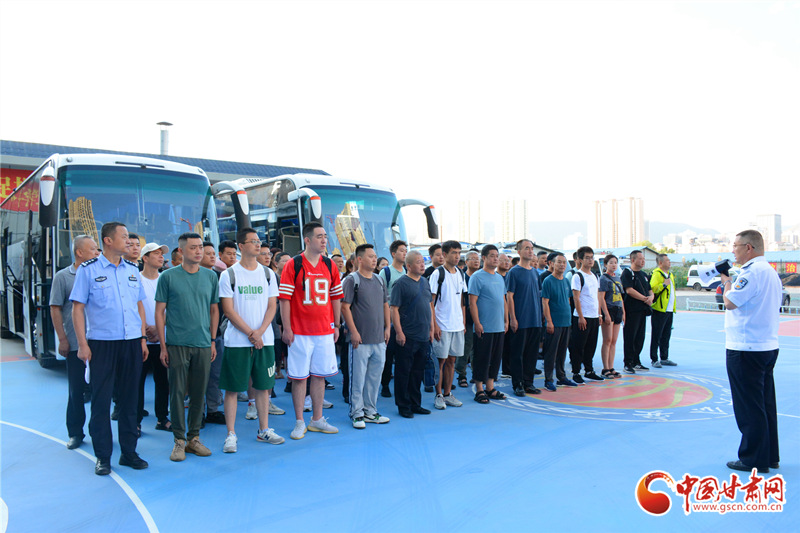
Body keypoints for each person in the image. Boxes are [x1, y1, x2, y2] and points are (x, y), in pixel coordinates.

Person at [70, 222, 149, 475]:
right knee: (101, 402)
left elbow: (139, 306)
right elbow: (78, 308)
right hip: (101, 344)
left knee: (130, 400)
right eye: (124, 237)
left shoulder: (132, 269)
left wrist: (142, 339)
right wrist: (82, 344)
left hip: (131, 343)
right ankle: (103, 456)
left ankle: (129, 453)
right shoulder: (88, 270)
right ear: (108, 240)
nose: (129, 241)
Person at [720, 230, 782, 474]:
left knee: (749, 406)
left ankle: (753, 458)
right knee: (765, 404)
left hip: (746, 347)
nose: (732, 250)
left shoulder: (751, 272)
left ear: (749, 247)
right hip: (766, 345)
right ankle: (770, 455)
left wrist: (726, 282)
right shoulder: (770, 272)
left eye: (736, 246)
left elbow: (730, 302)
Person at [219, 228, 283, 452]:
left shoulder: (267, 274)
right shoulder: (229, 275)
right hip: (237, 342)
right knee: (232, 389)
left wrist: (260, 332)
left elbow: (272, 306)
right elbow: (228, 310)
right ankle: (231, 434)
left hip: (264, 341)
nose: (258, 244)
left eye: (259, 241)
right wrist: (250, 333)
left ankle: (264, 430)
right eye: (253, 241)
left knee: (263, 387)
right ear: (241, 246)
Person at [156, 232, 219, 462]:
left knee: (199, 393)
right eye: (193, 247)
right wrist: (163, 346)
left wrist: (212, 341)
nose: (198, 251)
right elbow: (159, 312)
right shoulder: (168, 277)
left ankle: (194, 439)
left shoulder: (211, 277)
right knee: (177, 393)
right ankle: (179, 441)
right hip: (177, 343)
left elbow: (214, 310)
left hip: (203, 343)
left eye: (200, 246)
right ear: (181, 251)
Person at [279, 222, 343, 440]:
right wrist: (287, 328)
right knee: (299, 377)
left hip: (324, 331)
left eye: (325, 236)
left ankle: (317, 419)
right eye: (319, 236)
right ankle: (299, 421)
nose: (324, 240)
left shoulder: (330, 264)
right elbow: (284, 299)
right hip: (300, 332)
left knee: (319, 375)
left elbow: (336, 297)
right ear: (307, 240)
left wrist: (336, 325)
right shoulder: (294, 264)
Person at [50, 235, 98, 450]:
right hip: (75, 344)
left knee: (100, 392)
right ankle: (75, 433)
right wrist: (62, 339)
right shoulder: (63, 277)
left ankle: (98, 433)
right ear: (79, 252)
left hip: (99, 342)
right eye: (93, 249)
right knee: (76, 390)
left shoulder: (99, 274)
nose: (97, 252)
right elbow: (55, 308)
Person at [341, 244, 391, 428]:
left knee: (374, 379)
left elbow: (385, 304)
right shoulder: (351, 280)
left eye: (375, 256)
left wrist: (388, 327)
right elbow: (344, 307)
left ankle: (370, 411)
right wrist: (353, 331)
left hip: (379, 339)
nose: (374, 259)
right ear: (359, 259)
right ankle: (357, 413)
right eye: (370, 256)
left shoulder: (379, 280)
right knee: (358, 379)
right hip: (360, 341)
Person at [389, 250, 434, 418]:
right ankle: (403, 405)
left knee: (417, 372)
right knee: (403, 372)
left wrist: (431, 328)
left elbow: (429, 306)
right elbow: (394, 309)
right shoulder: (401, 284)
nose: (422, 265)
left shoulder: (425, 282)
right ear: (408, 265)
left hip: (423, 336)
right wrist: (399, 332)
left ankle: (415, 404)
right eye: (418, 262)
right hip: (407, 335)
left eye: (423, 261)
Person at [429, 240, 467, 409]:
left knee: (452, 360)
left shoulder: (460, 273)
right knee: (440, 361)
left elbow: (462, 300)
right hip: (442, 325)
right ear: (444, 255)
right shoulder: (437, 274)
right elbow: (430, 302)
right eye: (454, 253)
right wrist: (435, 325)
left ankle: (447, 393)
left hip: (457, 325)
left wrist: (463, 321)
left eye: (459, 253)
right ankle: (438, 395)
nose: (457, 256)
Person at [469, 245, 509, 404]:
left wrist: (506, 320)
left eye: (497, 255)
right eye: (492, 255)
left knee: (495, 358)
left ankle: (490, 388)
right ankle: (479, 389)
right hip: (484, 326)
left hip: (499, 326)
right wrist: (477, 323)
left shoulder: (499, 277)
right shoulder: (477, 277)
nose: (495, 258)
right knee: (482, 358)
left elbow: (503, 300)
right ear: (484, 258)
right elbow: (472, 302)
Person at [138, 242, 171, 433]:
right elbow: (134, 307)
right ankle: (135, 421)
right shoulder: (135, 279)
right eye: (156, 254)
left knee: (163, 381)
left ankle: (162, 418)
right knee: (137, 382)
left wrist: (158, 330)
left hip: (162, 341)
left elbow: (171, 307)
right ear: (145, 258)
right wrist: (145, 330)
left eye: (161, 254)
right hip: (140, 340)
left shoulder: (165, 279)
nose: (161, 257)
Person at [506, 239, 543, 396]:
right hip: (521, 321)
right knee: (518, 355)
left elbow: (538, 295)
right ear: (519, 252)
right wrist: (513, 318)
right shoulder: (513, 272)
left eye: (532, 248)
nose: (530, 251)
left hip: (535, 320)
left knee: (532, 354)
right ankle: (518, 384)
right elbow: (509, 296)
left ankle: (529, 383)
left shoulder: (534, 272)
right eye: (527, 248)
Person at [541, 253, 577, 391]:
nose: (562, 265)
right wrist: (549, 321)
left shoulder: (566, 281)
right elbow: (545, 302)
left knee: (562, 352)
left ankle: (562, 378)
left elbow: (568, 300)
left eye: (564, 262)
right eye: (559, 262)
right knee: (551, 352)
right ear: (552, 264)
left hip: (566, 322)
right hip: (554, 323)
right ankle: (548, 380)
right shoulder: (548, 281)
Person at [569, 246, 604, 384]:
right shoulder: (577, 276)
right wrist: (581, 316)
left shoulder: (595, 276)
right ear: (580, 260)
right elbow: (576, 298)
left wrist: (599, 314)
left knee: (591, 345)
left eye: (592, 257)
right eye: (587, 258)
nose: (590, 260)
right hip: (582, 317)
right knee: (578, 345)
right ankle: (576, 372)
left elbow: (597, 297)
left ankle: (589, 371)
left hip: (594, 316)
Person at [379, 240, 408, 398]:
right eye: (401, 250)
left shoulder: (407, 271)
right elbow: (381, 297)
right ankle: (385, 385)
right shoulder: (386, 272)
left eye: (406, 250)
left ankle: (402, 387)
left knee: (403, 356)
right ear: (393, 253)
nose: (404, 253)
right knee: (388, 355)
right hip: (389, 321)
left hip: (405, 321)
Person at [621, 250, 652, 373]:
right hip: (631, 310)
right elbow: (629, 290)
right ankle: (628, 362)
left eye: (644, 259)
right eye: (640, 259)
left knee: (640, 337)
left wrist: (651, 297)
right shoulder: (627, 273)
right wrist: (645, 299)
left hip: (642, 310)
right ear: (633, 260)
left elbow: (650, 290)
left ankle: (636, 361)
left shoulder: (643, 274)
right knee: (630, 337)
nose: (643, 261)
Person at [455, 250, 480, 387]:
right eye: (473, 259)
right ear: (466, 262)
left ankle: (477, 374)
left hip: (481, 318)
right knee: (465, 347)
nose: (476, 261)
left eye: (478, 259)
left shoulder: (482, 276)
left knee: (478, 348)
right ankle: (461, 375)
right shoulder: (462, 278)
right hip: (466, 318)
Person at [597, 254, 624, 379]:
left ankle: (611, 367)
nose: (614, 265)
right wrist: (605, 314)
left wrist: (623, 312)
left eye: (615, 262)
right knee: (607, 340)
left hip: (618, 310)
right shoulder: (603, 278)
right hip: (609, 309)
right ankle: (605, 368)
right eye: (611, 262)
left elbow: (621, 297)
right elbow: (601, 298)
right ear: (605, 265)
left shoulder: (618, 278)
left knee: (614, 340)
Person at [649, 254, 678, 368]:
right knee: (657, 335)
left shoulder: (670, 275)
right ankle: (654, 359)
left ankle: (664, 357)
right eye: (667, 260)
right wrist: (663, 285)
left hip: (669, 309)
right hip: (659, 309)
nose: (669, 262)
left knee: (666, 335)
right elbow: (652, 288)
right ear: (660, 263)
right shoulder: (657, 274)